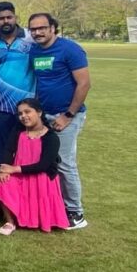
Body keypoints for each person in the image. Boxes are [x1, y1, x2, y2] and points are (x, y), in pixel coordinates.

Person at [28, 12, 91, 230]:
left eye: (42, 28)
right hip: (45, 115)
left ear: (53, 28)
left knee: (64, 163)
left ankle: (76, 212)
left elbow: (84, 84)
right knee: (49, 161)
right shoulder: (34, 50)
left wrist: (68, 115)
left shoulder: (70, 49)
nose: (37, 32)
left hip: (67, 115)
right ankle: (56, 205)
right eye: (33, 29)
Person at [0, 98, 68, 235]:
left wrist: (14, 169)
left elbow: (43, 165)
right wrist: (4, 170)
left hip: (41, 178)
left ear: (39, 112)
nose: (23, 116)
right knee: (1, 181)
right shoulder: (18, 132)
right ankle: (10, 221)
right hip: (20, 176)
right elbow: (8, 150)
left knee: (39, 183)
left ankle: (40, 219)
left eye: (27, 112)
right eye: (20, 113)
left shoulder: (51, 137)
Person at [0, 1, 36, 168]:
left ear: (16, 17)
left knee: (28, 151)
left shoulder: (31, 38)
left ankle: (25, 184)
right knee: (0, 151)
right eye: (1, 18)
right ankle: (3, 184)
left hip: (27, 107)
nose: (6, 21)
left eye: (9, 17)